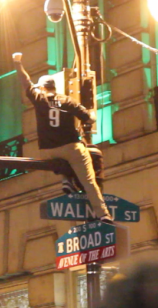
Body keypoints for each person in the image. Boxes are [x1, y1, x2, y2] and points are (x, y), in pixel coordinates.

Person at [12, 52, 112, 223]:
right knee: (88, 180)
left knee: (66, 159)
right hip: (70, 147)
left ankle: (66, 180)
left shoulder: (38, 98)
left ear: (43, 87)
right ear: (54, 87)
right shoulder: (68, 101)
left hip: (48, 151)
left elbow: (25, 81)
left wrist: (17, 63)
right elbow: (88, 118)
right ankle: (103, 214)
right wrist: (91, 117)